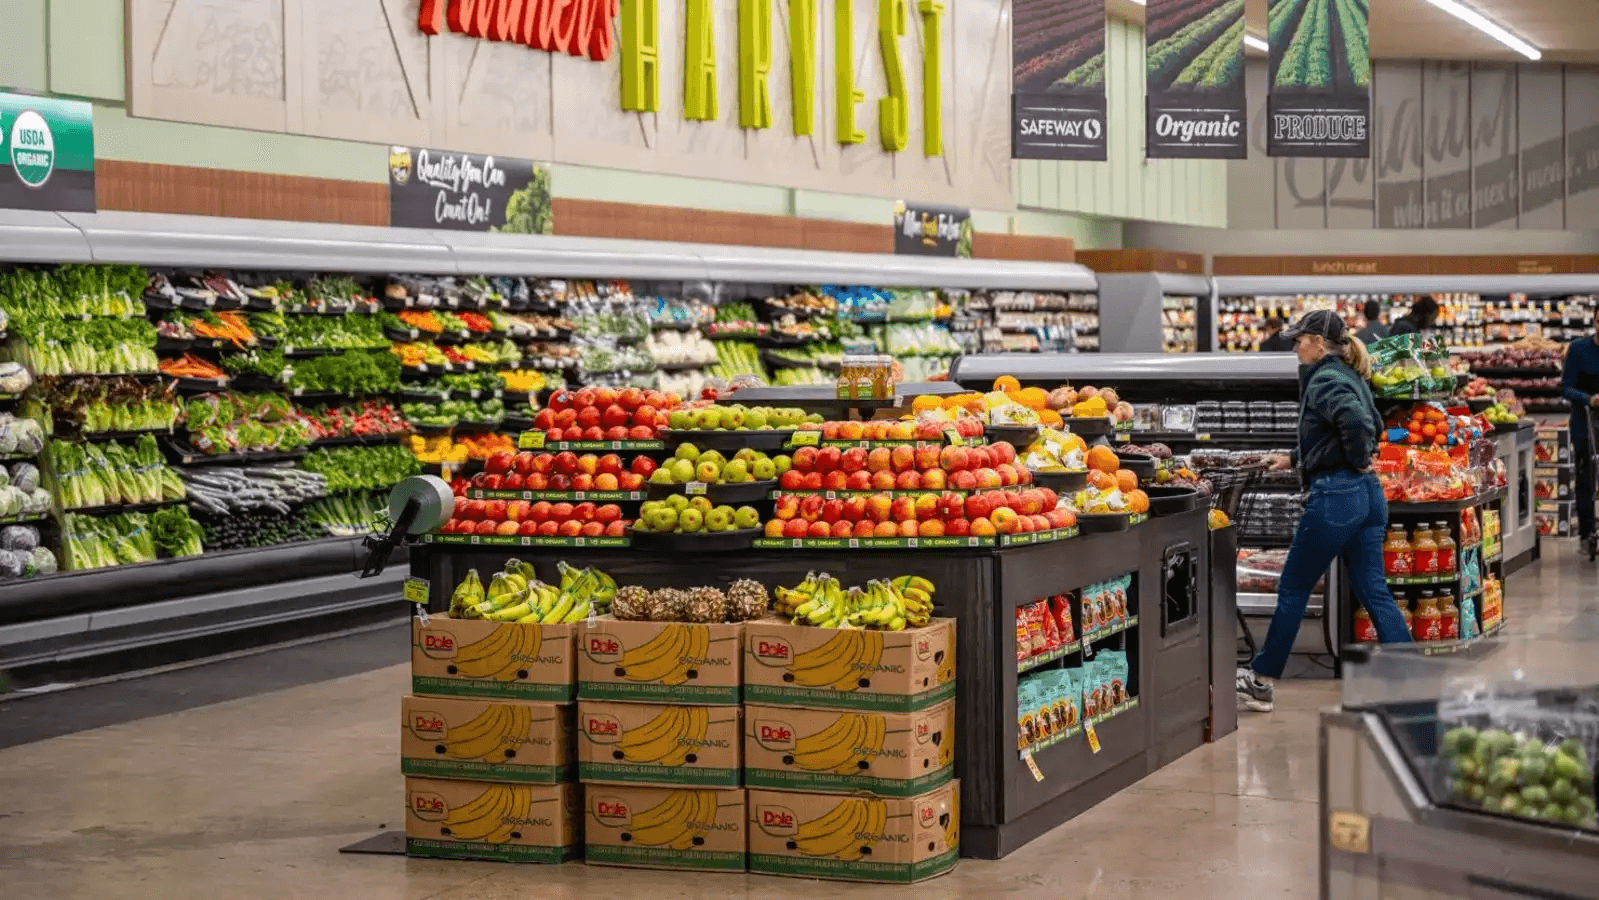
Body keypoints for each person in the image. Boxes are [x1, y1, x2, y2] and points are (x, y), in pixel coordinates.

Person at [1237, 309, 1412, 712]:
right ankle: (1408, 677)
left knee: (1294, 586)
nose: (1295, 346)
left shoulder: (1326, 379)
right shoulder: (1350, 375)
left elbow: (1355, 421)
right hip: (1368, 497)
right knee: (1373, 590)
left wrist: (1354, 458)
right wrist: (1295, 457)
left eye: (1300, 339)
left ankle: (1261, 681)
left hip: (1337, 496)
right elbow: (1376, 424)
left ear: (1318, 342)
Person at [1561, 315, 1599, 552]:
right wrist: (1589, 399)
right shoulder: (1578, 349)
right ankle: (1587, 533)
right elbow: (1566, 387)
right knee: (1586, 476)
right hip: (1586, 422)